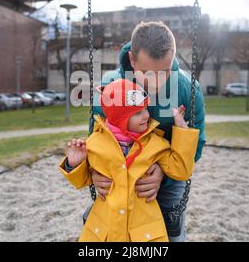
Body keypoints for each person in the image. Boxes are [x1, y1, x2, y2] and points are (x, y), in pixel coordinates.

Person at [91, 21, 206, 241]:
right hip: (119, 175)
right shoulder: (111, 86)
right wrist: (95, 172)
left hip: (169, 177)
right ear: (132, 60)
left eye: (164, 71)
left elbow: (197, 143)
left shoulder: (187, 89)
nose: (155, 81)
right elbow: (95, 138)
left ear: (172, 59)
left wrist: (164, 174)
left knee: (171, 236)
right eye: (146, 72)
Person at [59, 79, 199, 241]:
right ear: (120, 118)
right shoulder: (95, 143)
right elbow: (81, 180)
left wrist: (182, 131)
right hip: (106, 229)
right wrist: (74, 163)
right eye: (138, 112)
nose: (146, 115)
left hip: (144, 231)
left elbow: (181, 170)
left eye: (145, 109)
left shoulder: (154, 144)